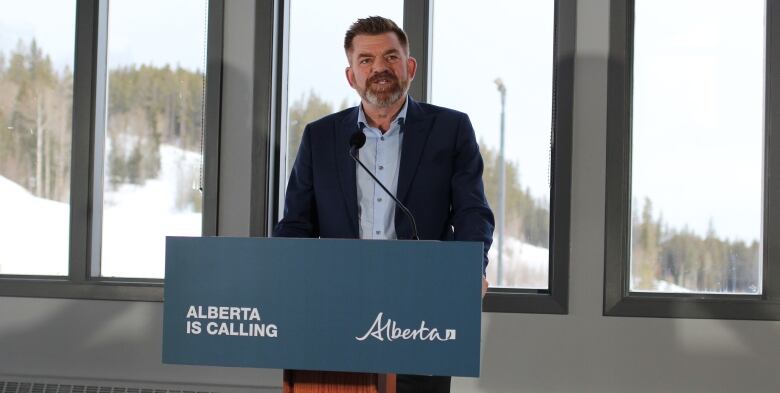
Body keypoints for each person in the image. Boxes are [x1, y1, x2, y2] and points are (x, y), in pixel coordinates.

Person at [273, 16, 494, 393]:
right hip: (336, 313)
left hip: (422, 314)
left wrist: (468, 270)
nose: (378, 68)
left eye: (390, 57)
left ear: (409, 67)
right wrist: (282, 279)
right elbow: (295, 224)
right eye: (365, 60)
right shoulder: (320, 137)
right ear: (351, 76)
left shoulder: (451, 129)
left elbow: (473, 212)